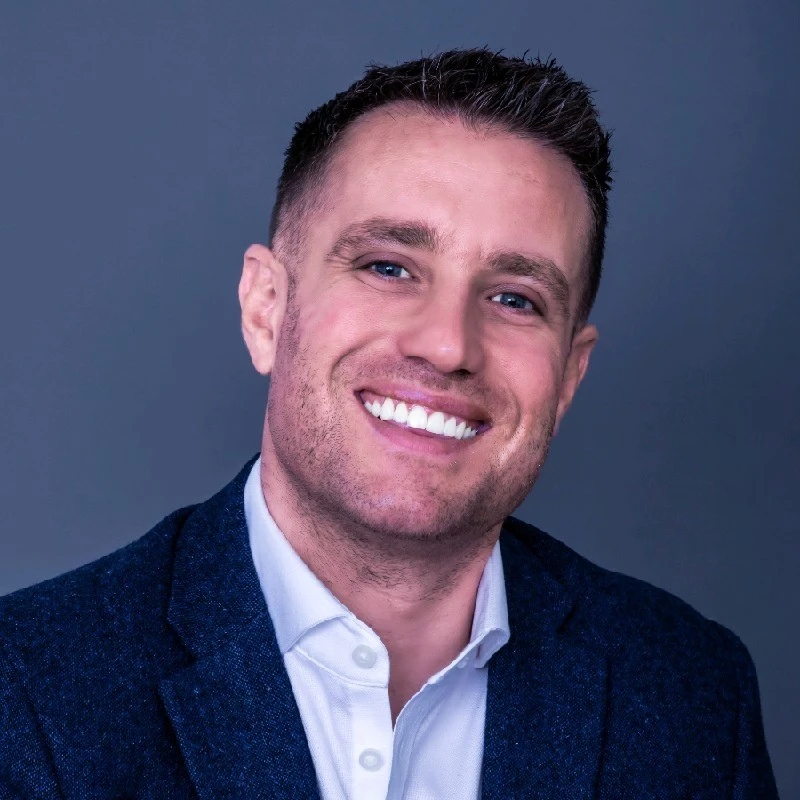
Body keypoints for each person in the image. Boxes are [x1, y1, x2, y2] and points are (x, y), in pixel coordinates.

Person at [0, 48, 777, 799]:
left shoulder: (691, 694)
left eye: (515, 298)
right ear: (266, 309)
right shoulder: (27, 692)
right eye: (388, 267)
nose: (447, 345)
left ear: (570, 376)